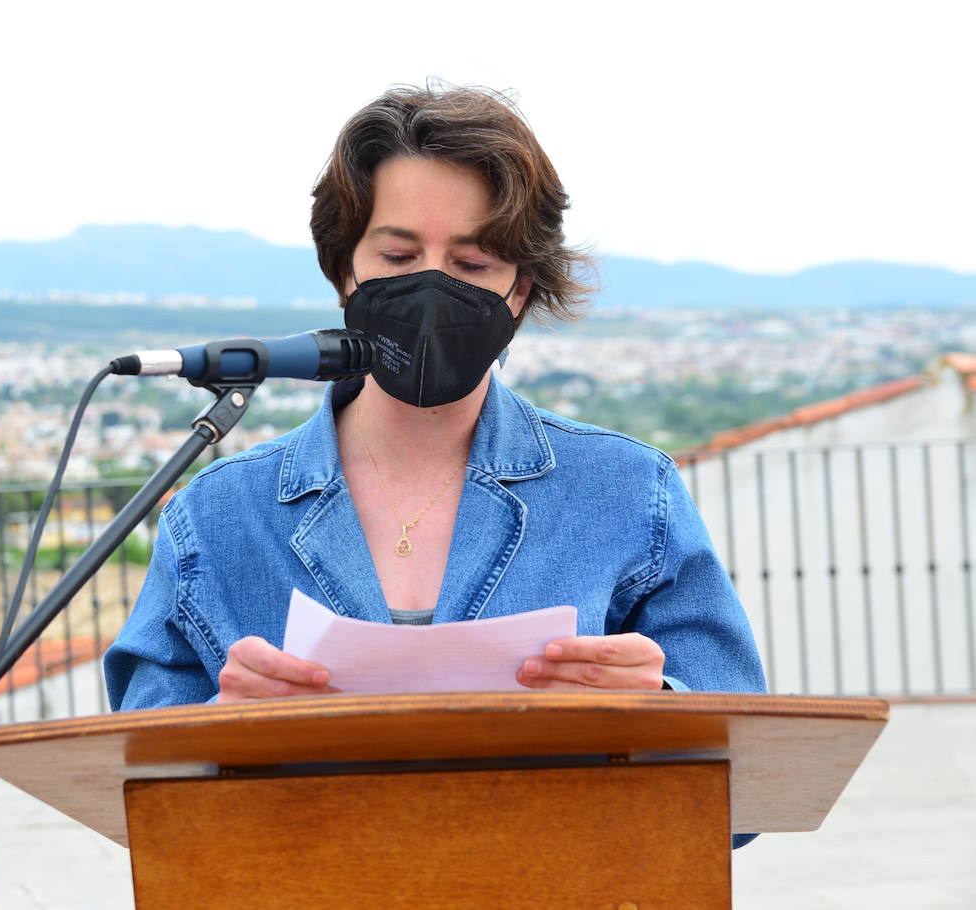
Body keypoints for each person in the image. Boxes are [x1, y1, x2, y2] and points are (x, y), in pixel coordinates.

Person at [104, 84, 766, 712]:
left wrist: (660, 706)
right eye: (397, 256)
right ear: (344, 271)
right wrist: (223, 724)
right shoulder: (218, 515)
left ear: (521, 291)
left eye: (471, 265)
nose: (431, 291)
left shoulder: (625, 491)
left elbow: (750, 775)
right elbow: (135, 782)